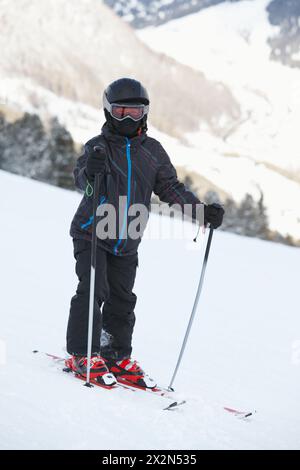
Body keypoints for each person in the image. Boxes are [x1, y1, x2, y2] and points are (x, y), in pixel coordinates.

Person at [66, 78, 224, 387]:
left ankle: (115, 355)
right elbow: (81, 182)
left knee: (123, 300)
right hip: (92, 234)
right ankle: (83, 354)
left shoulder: (152, 152)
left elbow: (170, 188)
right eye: (121, 111)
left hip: (127, 241)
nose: (127, 118)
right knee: (93, 290)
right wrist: (91, 171)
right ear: (108, 111)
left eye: (135, 113)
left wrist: (201, 212)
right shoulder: (98, 147)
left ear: (146, 114)